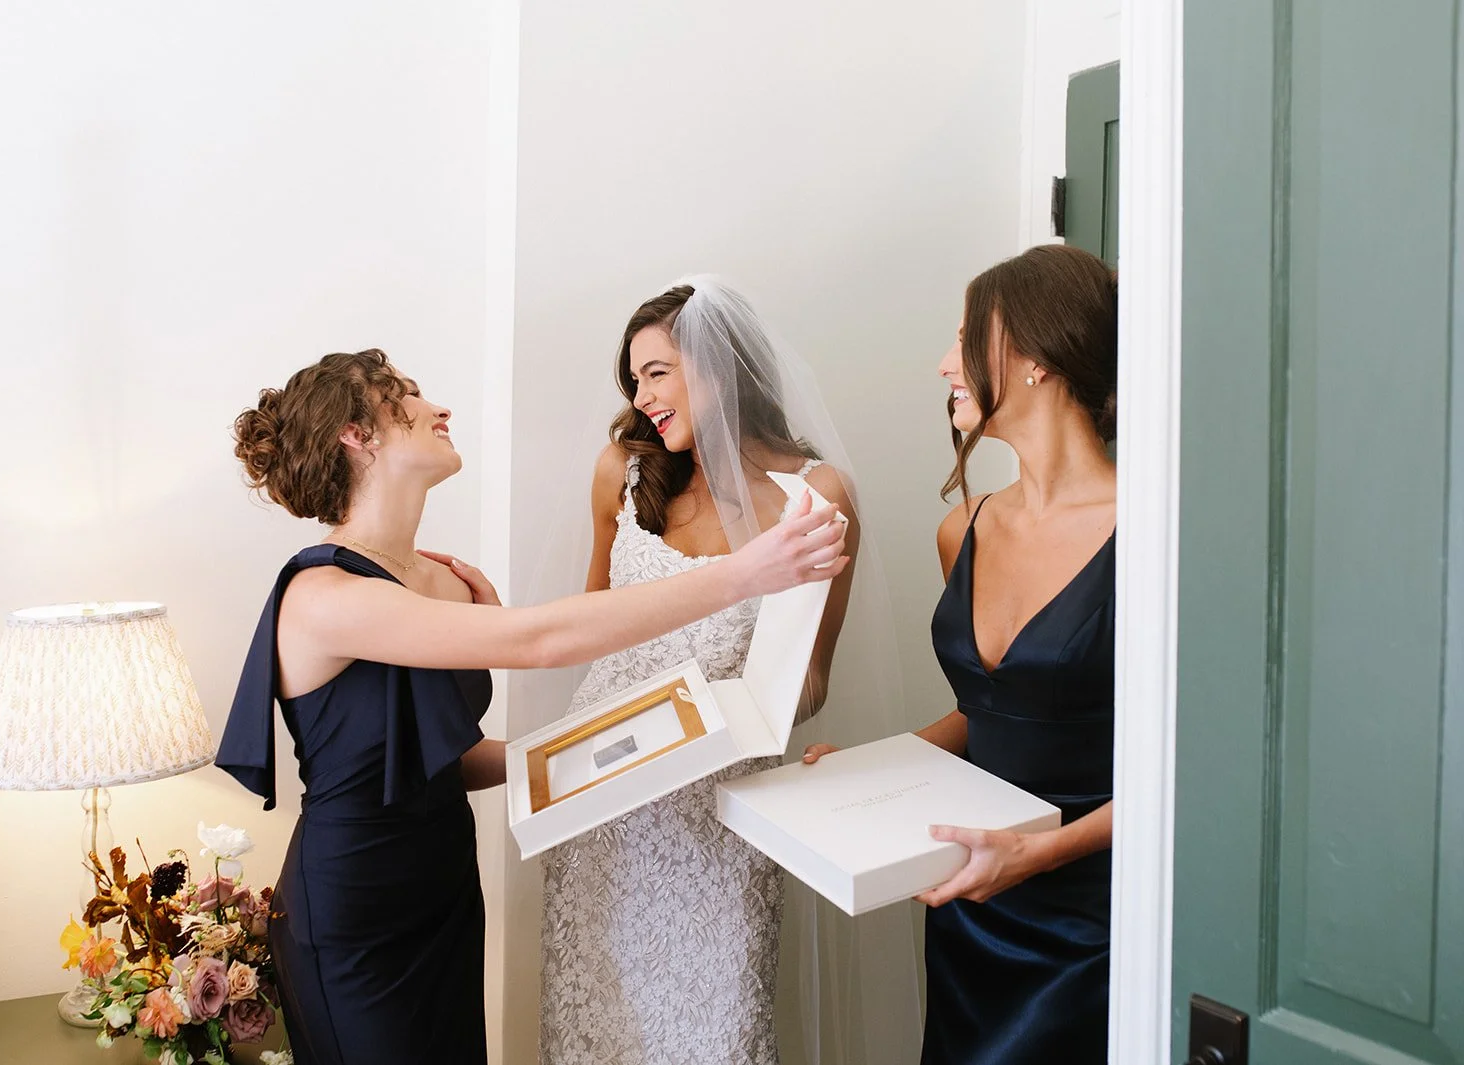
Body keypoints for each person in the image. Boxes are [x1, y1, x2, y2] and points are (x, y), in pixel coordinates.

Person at [214, 347, 846, 1065]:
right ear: (358, 436)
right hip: (354, 905)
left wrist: (596, 757)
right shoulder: (322, 597)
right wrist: (743, 573)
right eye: (409, 397)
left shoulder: (442, 581)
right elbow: (543, 639)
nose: (438, 408)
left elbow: (449, 762)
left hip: (445, 889)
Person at [537, 278, 912, 1065]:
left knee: (720, 1035)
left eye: (655, 373)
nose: (641, 400)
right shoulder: (623, 472)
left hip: (719, 818)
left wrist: (728, 710)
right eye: (633, 381)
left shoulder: (815, 495)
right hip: (605, 811)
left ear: (716, 367)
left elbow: (812, 681)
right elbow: (590, 625)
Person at [806, 243, 1117, 1063]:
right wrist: (869, 768)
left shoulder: (1155, 529)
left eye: (965, 337)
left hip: (1097, 917)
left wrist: (1043, 849)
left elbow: (1197, 768)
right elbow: (986, 713)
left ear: (1037, 359)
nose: (946, 363)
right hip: (973, 900)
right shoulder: (964, 528)